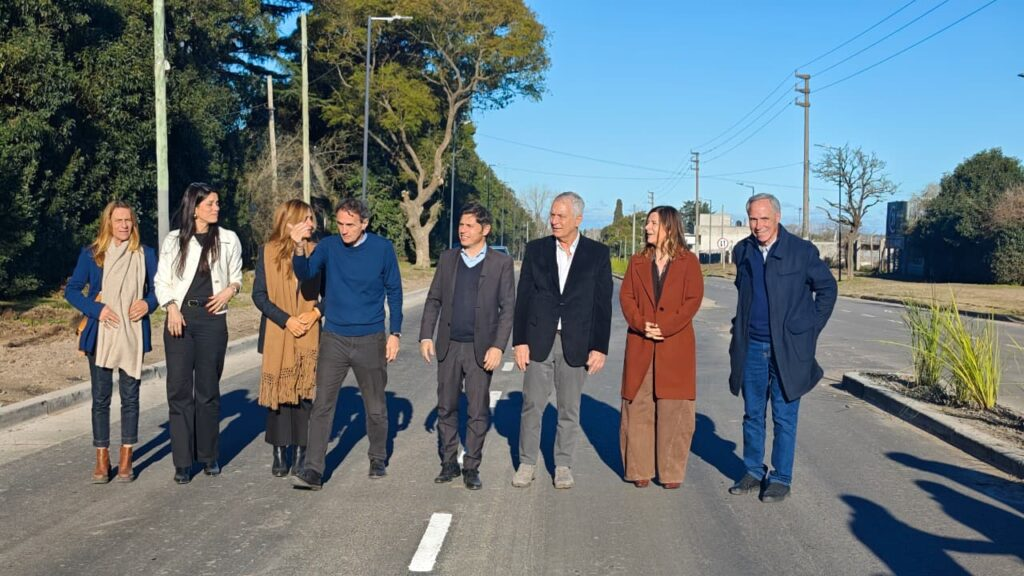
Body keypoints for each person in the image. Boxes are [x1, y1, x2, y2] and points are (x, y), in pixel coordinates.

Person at [727, 193, 837, 503]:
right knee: (752, 414)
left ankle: (780, 477)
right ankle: (752, 470)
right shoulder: (743, 251)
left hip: (788, 350)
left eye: (764, 218)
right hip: (752, 347)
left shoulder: (801, 252)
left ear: (777, 217)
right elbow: (743, 296)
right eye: (752, 218)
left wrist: (809, 328)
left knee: (784, 416)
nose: (758, 225)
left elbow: (827, 289)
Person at [289, 197, 403, 491]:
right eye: (339, 224)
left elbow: (395, 291)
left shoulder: (382, 249)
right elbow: (306, 274)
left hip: (371, 338)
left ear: (364, 223)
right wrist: (300, 246)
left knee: (375, 406)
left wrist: (395, 333)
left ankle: (378, 456)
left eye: (350, 224)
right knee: (323, 405)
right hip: (335, 338)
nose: (344, 230)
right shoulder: (328, 246)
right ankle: (313, 470)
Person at [511, 191, 613, 489]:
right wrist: (520, 342)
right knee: (532, 405)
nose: (554, 221)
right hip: (538, 340)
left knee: (569, 409)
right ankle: (527, 463)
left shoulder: (597, 254)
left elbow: (602, 305)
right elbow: (524, 299)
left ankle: (563, 464)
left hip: (577, 344)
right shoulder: (537, 250)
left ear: (578, 219)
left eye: (561, 216)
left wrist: (599, 347)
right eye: (552, 215)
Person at [419, 203, 515, 490]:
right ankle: (449, 462)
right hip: (449, 346)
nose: (462, 230)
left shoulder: (500, 263)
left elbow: (508, 308)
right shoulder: (448, 259)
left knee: (477, 409)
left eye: (470, 225)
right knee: (446, 406)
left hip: (480, 349)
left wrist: (498, 346)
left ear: (485, 230)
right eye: (461, 225)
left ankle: (471, 465)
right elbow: (434, 299)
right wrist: (426, 335)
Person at [155, 182, 243, 484]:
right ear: (194, 208)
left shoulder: (229, 239)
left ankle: (208, 455)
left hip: (212, 321)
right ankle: (182, 461)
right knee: (179, 391)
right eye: (210, 204)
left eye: (218, 203)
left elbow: (237, 276)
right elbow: (161, 281)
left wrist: (230, 291)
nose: (216, 208)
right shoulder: (173, 241)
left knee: (207, 391)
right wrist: (171, 308)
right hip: (180, 318)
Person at [66, 201, 159, 483]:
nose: (124, 225)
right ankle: (101, 458)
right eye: (118, 220)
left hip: (131, 333)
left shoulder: (145, 254)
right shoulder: (93, 254)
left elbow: (159, 289)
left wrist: (147, 303)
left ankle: (126, 458)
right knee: (101, 398)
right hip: (101, 333)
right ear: (108, 223)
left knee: (130, 397)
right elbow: (71, 291)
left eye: (128, 220)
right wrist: (97, 309)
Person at [619, 206, 704, 489]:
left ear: (669, 226)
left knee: (674, 409)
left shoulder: (688, 261)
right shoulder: (636, 262)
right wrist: (642, 323)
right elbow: (627, 298)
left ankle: (670, 472)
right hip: (641, 342)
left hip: (675, 344)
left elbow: (692, 300)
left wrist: (665, 327)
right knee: (638, 406)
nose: (647, 228)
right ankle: (638, 468)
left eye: (652, 223)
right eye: (647, 223)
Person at [252, 199, 323, 477]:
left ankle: (302, 451)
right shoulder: (266, 252)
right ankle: (280, 450)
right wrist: (286, 320)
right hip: (278, 331)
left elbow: (329, 294)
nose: (311, 224)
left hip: (308, 331)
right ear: (289, 222)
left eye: (312, 219)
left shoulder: (319, 252)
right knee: (280, 396)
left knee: (305, 394)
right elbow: (259, 296)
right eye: (305, 219)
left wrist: (315, 314)